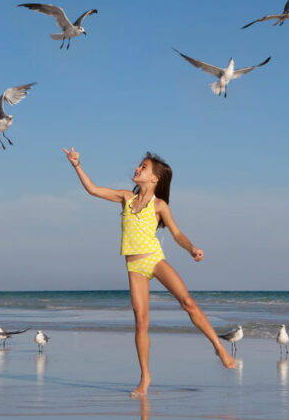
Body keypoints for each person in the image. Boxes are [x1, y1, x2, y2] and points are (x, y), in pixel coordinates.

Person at [63, 147, 237, 396]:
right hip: (133, 267)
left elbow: (177, 234)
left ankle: (219, 347)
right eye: (139, 165)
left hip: (154, 260)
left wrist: (191, 248)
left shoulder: (159, 205)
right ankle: (145, 377)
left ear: (155, 178)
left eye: (143, 167)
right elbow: (93, 190)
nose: (137, 168)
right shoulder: (126, 197)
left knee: (187, 302)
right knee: (141, 322)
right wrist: (77, 165)